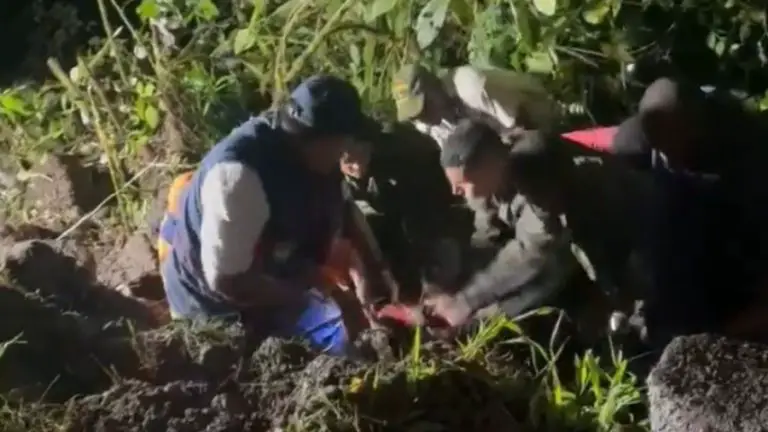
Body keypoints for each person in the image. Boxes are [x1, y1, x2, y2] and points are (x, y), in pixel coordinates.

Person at [155, 75, 396, 356]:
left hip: (274, 264)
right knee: (259, 371)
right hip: (214, 302)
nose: (346, 151)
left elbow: (344, 210)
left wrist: (370, 274)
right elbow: (229, 282)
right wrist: (321, 297)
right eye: (342, 143)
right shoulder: (239, 178)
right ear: (318, 140)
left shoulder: (317, 158)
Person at [423, 119, 653, 339]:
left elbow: (534, 251)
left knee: (622, 287)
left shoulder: (532, 170)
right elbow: (487, 232)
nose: (455, 191)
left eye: (462, 183)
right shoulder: (492, 176)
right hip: (566, 231)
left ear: (491, 166)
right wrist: (456, 284)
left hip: (617, 223)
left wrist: (466, 301)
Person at [340, 121, 463, 301]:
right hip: (391, 217)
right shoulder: (334, 181)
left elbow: (428, 206)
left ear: (369, 145)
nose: (357, 166)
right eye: (349, 162)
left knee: (442, 262)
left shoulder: (401, 154)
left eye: (362, 154)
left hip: (434, 208)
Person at [391, 63, 559, 149]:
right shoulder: (427, 124)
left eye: (424, 108)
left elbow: (522, 125)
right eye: (415, 116)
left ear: (435, 87)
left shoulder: (471, 88)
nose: (424, 119)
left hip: (542, 124)